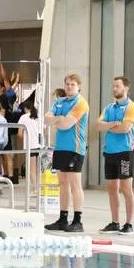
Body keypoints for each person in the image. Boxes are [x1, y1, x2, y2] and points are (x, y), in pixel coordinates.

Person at [44, 73, 89, 232]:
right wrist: (59, 118)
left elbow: (66, 125)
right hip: (60, 147)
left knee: (75, 184)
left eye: (73, 84)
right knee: (62, 184)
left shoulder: (81, 103)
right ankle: (63, 219)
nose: (69, 87)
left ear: (79, 87)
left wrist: (57, 119)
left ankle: (77, 221)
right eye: (67, 84)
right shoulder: (59, 101)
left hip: (74, 148)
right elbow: (46, 119)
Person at [96, 75, 134, 233]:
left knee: (126, 188)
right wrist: (113, 124)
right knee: (111, 188)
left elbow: (125, 128)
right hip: (109, 152)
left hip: (125, 152)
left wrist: (108, 126)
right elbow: (98, 125)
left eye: (117, 86)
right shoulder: (109, 108)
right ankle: (115, 222)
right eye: (113, 86)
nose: (114, 89)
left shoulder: (132, 107)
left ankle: (128, 224)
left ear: (126, 88)